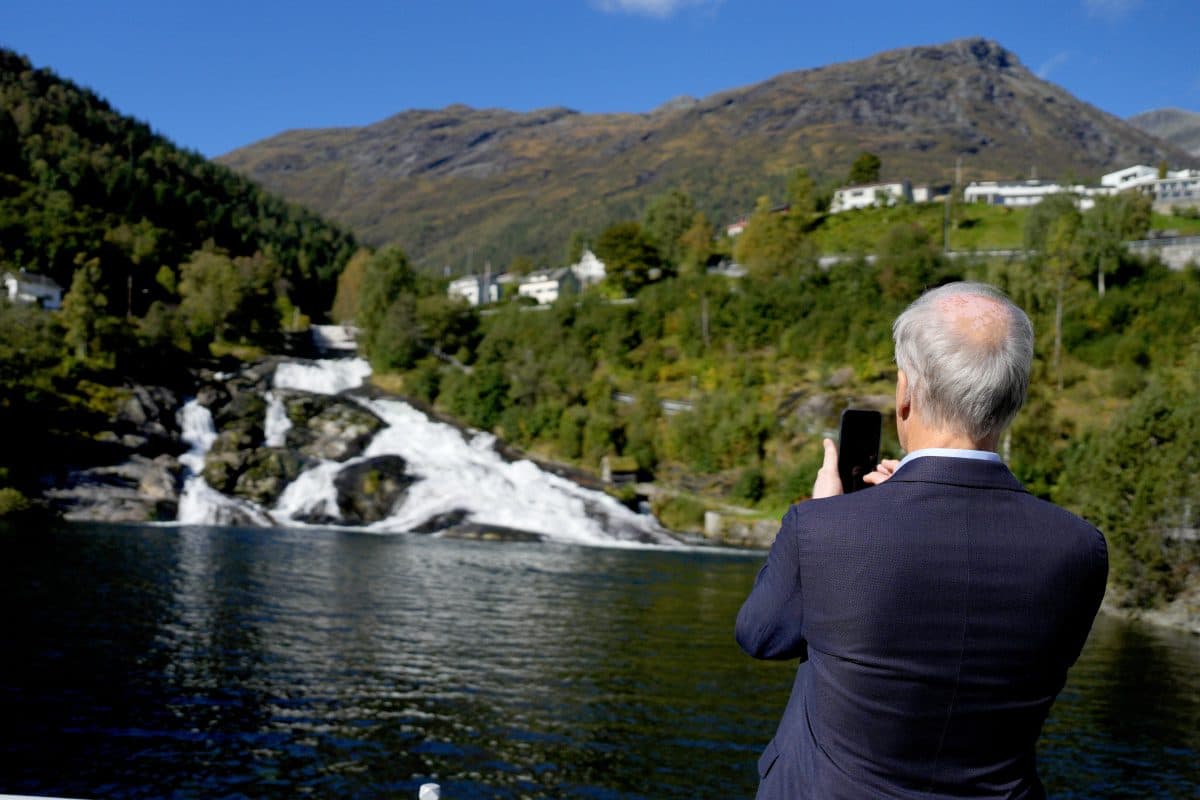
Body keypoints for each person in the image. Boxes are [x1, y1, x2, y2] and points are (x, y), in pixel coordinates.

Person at [735, 282, 1107, 799]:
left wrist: (829, 513)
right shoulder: (1080, 548)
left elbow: (762, 635)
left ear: (905, 394)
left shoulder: (824, 528)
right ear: (1013, 400)